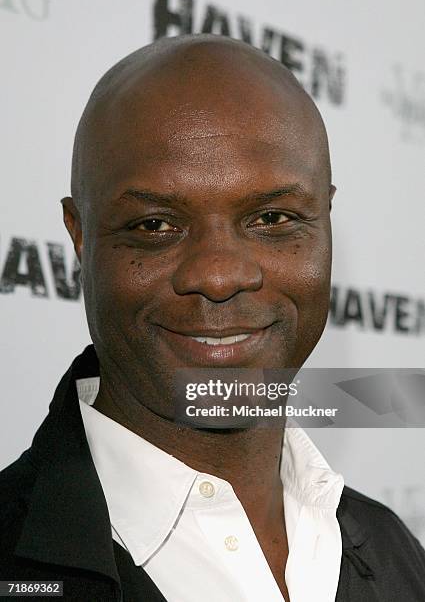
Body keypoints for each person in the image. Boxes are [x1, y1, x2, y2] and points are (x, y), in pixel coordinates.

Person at [0, 34, 424, 602]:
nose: (220, 275)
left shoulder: (394, 550)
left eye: (272, 217)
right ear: (79, 238)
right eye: (154, 225)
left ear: (325, 219)